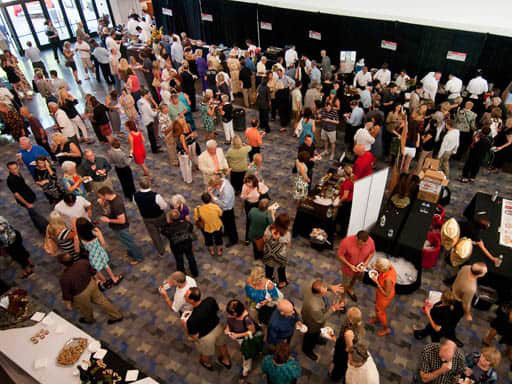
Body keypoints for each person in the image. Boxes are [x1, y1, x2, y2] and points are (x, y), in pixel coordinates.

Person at [58, 253, 123, 325]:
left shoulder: (64, 278)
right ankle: (117, 316)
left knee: (85, 308)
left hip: (80, 294)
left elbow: (66, 294)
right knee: (102, 301)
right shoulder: (83, 262)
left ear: (62, 264)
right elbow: (93, 272)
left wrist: (68, 304)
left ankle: (89, 320)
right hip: (91, 285)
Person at [184, 287, 231, 370]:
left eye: (185, 296)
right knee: (222, 345)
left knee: (206, 353)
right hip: (218, 328)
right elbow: (216, 310)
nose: (184, 296)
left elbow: (195, 337)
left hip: (206, 337)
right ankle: (226, 360)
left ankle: (207, 363)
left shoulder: (191, 320)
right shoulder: (210, 300)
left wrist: (185, 324)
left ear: (191, 301)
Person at [96, 187, 144, 265]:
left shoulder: (116, 205)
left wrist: (108, 220)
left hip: (121, 228)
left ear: (106, 195)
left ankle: (139, 258)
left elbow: (122, 221)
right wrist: (102, 203)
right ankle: (131, 252)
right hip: (117, 227)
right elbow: (108, 209)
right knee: (125, 241)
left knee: (129, 243)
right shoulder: (114, 197)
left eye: (100, 196)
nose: (99, 198)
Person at [301, 279, 344, 361]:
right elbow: (320, 319)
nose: (326, 292)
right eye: (324, 291)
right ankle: (307, 350)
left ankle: (317, 339)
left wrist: (331, 287)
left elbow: (321, 285)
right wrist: (333, 308)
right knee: (310, 336)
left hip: (311, 314)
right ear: (318, 293)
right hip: (312, 323)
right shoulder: (315, 307)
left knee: (316, 334)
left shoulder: (311, 284)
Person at [6, 161, 48, 235]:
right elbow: (16, 195)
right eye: (12, 169)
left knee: (34, 214)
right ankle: (44, 230)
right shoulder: (10, 180)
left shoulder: (18, 173)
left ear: (18, 167)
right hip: (25, 200)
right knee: (35, 215)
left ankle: (41, 227)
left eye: (16, 168)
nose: (14, 170)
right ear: (9, 170)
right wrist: (27, 204)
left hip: (29, 195)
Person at [327, 306, 365, 381]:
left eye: (348, 314)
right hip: (343, 344)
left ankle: (335, 378)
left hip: (343, 351)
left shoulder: (349, 333)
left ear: (351, 319)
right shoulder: (356, 325)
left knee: (339, 365)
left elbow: (349, 349)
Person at [134, 177, 168, 255]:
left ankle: (161, 251)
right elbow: (164, 206)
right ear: (150, 184)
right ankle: (170, 238)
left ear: (140, 185)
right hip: (159, 216)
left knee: (154, 235)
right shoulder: (156, 196)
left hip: (147, 219)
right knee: (166, 228)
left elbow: (135, 204)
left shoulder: (135, 195)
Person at [338, 230, 375, 303]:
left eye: (364, 244)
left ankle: (350, 288)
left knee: (354, 279)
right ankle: (342, 298)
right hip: (348, 268)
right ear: (356, 238)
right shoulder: (346, 242)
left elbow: (372, 253)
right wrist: (350, 265)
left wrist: (366, 263)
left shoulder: (370, 241)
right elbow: (340, 255)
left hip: (360, 268)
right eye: (360, 244)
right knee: (345, 284)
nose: (362, 246)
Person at [225, 299, 258, 377]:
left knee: (246, 355)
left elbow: (252, 331)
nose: (229, 315)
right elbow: (229, 322)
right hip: (238, 338)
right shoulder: (231, 314)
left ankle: (246, 369)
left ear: (236, 313)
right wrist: (227, 329)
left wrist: (237, 335)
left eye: (231, 314)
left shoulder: (247, 319)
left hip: (245, 339)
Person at [161, 209, 198, 277]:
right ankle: (195, 272)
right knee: (191, 257)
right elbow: (191, 228)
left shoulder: (167, 228)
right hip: (187, 243)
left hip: (176, 246)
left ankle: (182, 274)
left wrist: (168, 222)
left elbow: (163, 231)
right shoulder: (187, 224)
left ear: (170, 218)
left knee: (179, 260)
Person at [262, 212, 292, 288]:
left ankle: (269, 279)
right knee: (281, 268)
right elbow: (288, 245)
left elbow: (264, 239)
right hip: (280, 255)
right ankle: (282, 282)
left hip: (268, 253)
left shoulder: (269, 228)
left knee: (268, 267)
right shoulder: (286, 234)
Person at [368, 257, 396, 336]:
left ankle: (386, 329)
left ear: (383, 270)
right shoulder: (389, 266)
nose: (376, 268)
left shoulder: (388, 280)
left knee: (380, 312)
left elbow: (386, 294)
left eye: (378, 268)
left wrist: (376, 282)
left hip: (384, 297)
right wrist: (376, 267)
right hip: (380, 293)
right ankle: (377, 318)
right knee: (377, 307)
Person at [208, 176, 238, 247]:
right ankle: (226, 232)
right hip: (222, 208)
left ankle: (234, 240)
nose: (214, 188)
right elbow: (216, 191)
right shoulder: (222, 180)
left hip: (227, 209)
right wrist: (212, 190)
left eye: (214, 187)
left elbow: (224, 204)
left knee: (231, 226)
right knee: (224, 222)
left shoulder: (226, 191)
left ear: (218, 185)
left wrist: (212, 197)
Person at [195, 192, 223, 257]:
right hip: (217, 225)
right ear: (210, 199)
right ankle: (219, 251)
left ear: (202, 200)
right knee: (218, 238)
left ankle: (212, 251)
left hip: (205, 227)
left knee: (208, 239)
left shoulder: (197, 209)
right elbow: (220, 214)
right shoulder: (215, 207)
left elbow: (196, 219)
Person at [138, 88, 161, 153]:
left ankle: (154, 146)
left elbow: (142, 111)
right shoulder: (145, 104)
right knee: (152, 136)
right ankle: (155, 149)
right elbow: (152, 114)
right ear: (145, 95)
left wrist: (152, 110)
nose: (148, 95)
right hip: (149, 121)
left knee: (151, 136)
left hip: (145, 120)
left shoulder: (140, 101)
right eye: (148, 94)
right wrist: (157, 111)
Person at [337, 164, 354, 236]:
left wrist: (339, 202)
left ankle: (342, 234)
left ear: (344, 173)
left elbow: (345, 196)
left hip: (346, 203)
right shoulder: (349, 180)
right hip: (349, 202)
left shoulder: (347, 183)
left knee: (344, 219)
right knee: (345, 218)